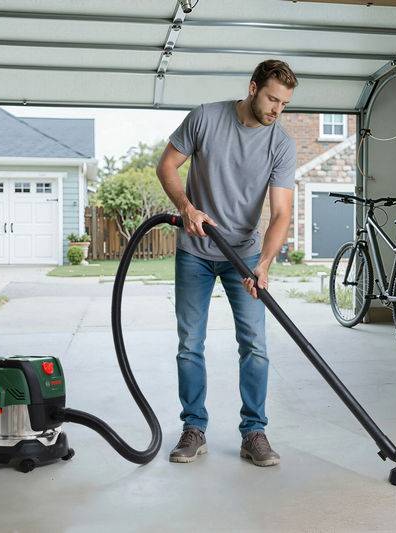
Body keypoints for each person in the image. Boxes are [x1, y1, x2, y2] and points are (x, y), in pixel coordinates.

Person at [156, 59, 298, 467]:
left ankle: (254, 431)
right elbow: (167, 165)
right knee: (189, 344)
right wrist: (186, 207)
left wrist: (265, 264)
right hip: (195, 252)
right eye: (272, 98)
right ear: (253, 88)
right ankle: (194, 428)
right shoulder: (205, 118)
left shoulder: (281, 143)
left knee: (255, 345)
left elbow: (282, 213)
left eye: (284, 103)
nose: (277, 110)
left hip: (246, 255)